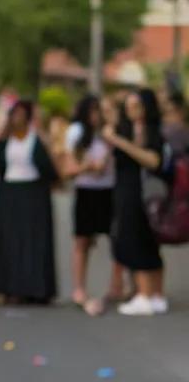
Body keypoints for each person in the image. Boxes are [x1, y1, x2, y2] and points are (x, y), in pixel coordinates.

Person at [0, 98, 58, 303]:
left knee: (33, 242)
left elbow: (48, 166)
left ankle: (36, 288)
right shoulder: (5, 140)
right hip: (10, 195)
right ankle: (11, 286)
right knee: (11, 242)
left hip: (33, 194)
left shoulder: (36, 139)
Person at [102, 88, 167, 315]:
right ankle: (148, 294)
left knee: (145, 241)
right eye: (128, 107)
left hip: (148, 194)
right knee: (130, 238)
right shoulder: (122, 129)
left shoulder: (153, 132)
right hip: (126, 191)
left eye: (136, 106)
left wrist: (120, 142)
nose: (131, 112)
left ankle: (148, 295)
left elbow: (152, 160)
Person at [63, 94, 120, 312]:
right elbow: (69, 168)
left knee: (115, 238)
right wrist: (87, 168)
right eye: (95, 111)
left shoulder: (109, 133)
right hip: (87, 189)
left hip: (108, 189)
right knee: (82, 240)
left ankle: (116, 285)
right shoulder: (77, 132)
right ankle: (79, 288)